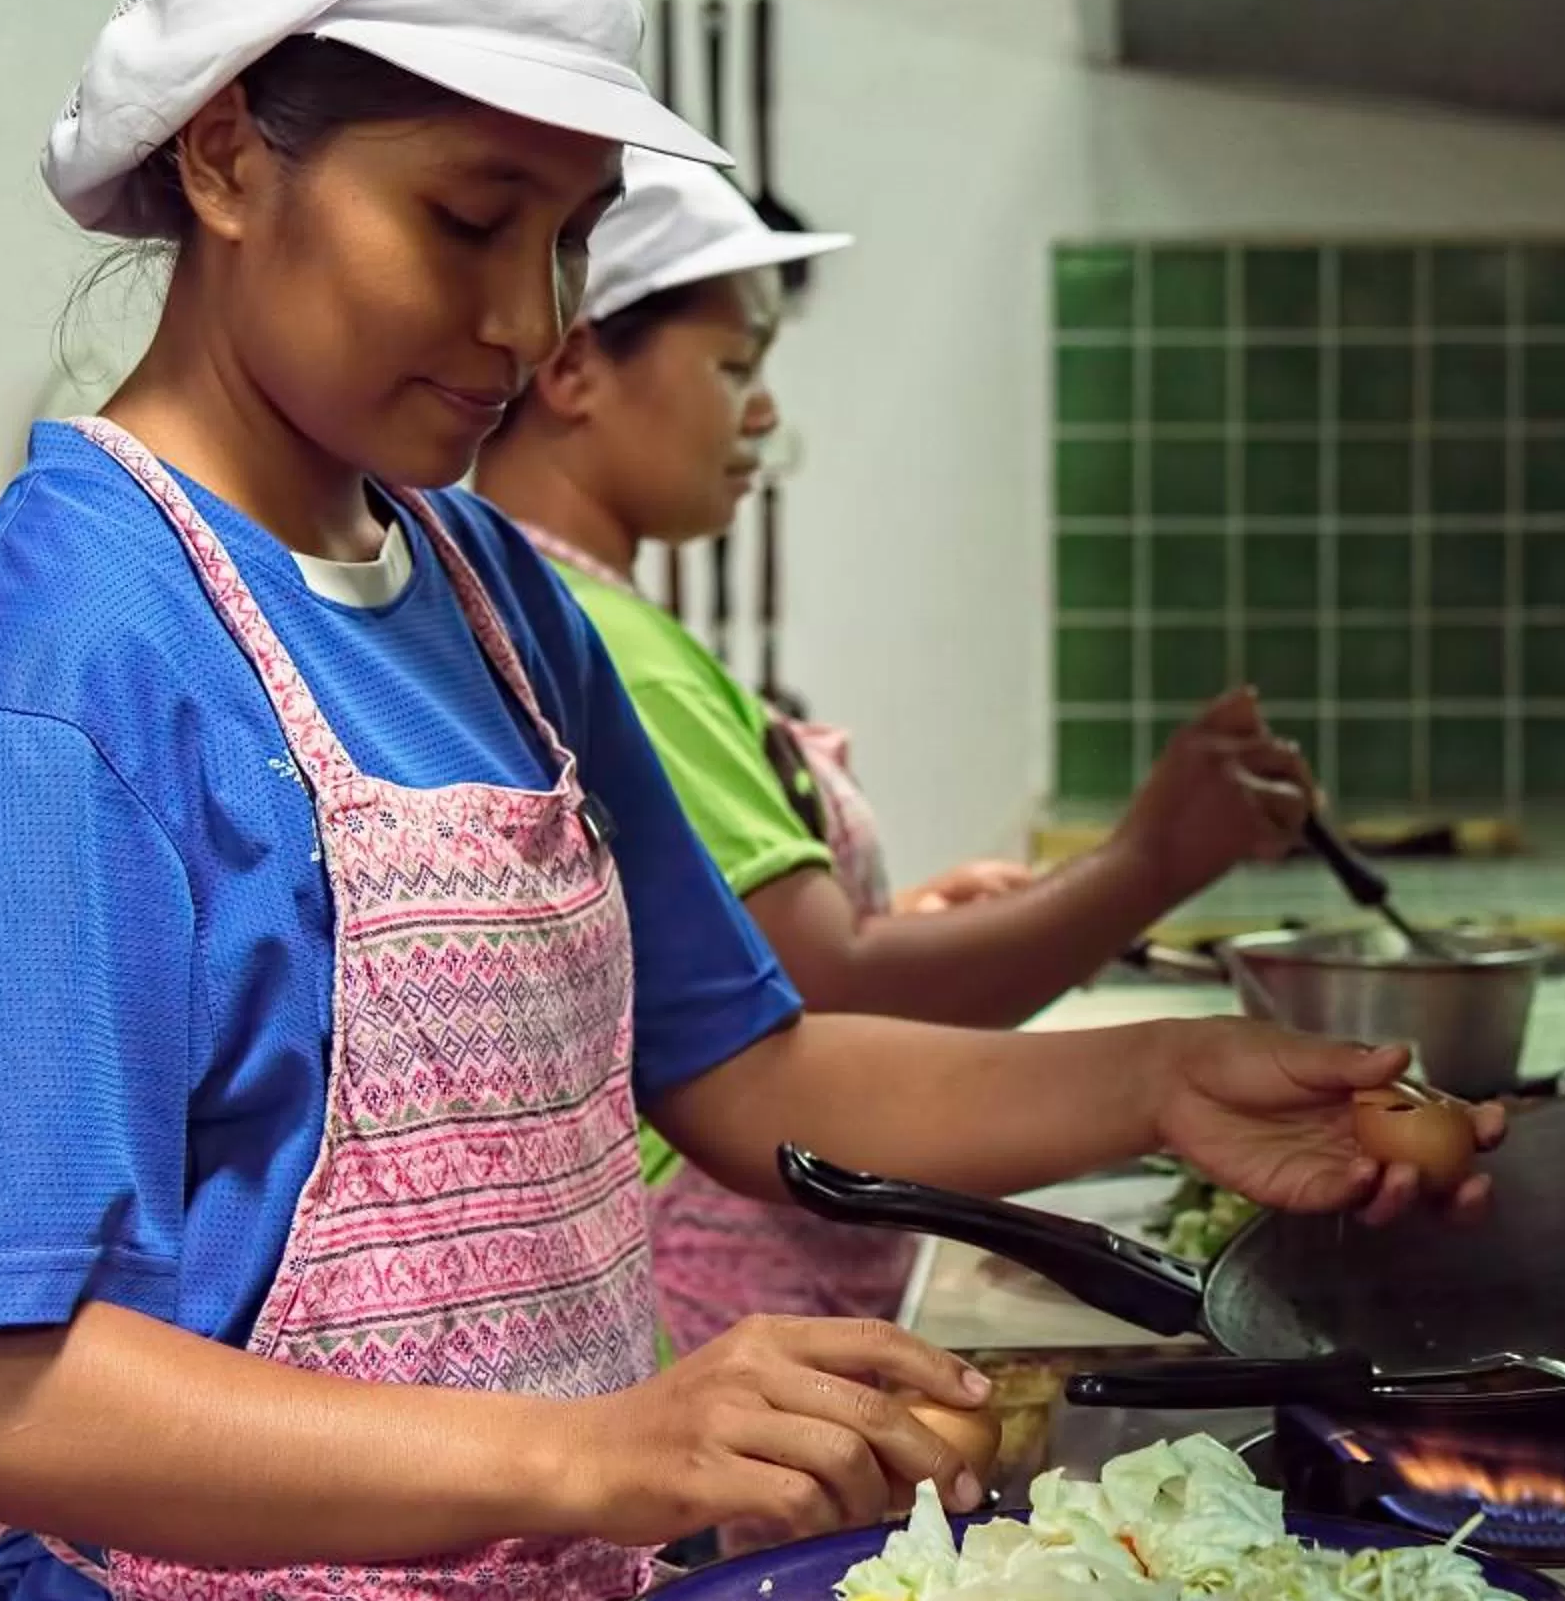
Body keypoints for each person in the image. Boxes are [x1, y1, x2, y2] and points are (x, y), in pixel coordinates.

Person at [0, 0, 1496, 1601]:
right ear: (226, 156)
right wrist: (593, 1446)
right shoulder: (65, 659)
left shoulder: (492, 597)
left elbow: (754, 1075)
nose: (526, 325)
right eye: (466, 220)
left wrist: (1153, 1078)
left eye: (568, 238)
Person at [477, 151, 1318, 1353]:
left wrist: (916, 916)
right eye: (736, 367)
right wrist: (1148, 863)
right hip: (729, 1282)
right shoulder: (611, 641)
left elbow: (710, 969)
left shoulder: (571, 612)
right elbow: (822, 998)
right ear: (571, 369)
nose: (764, 412)